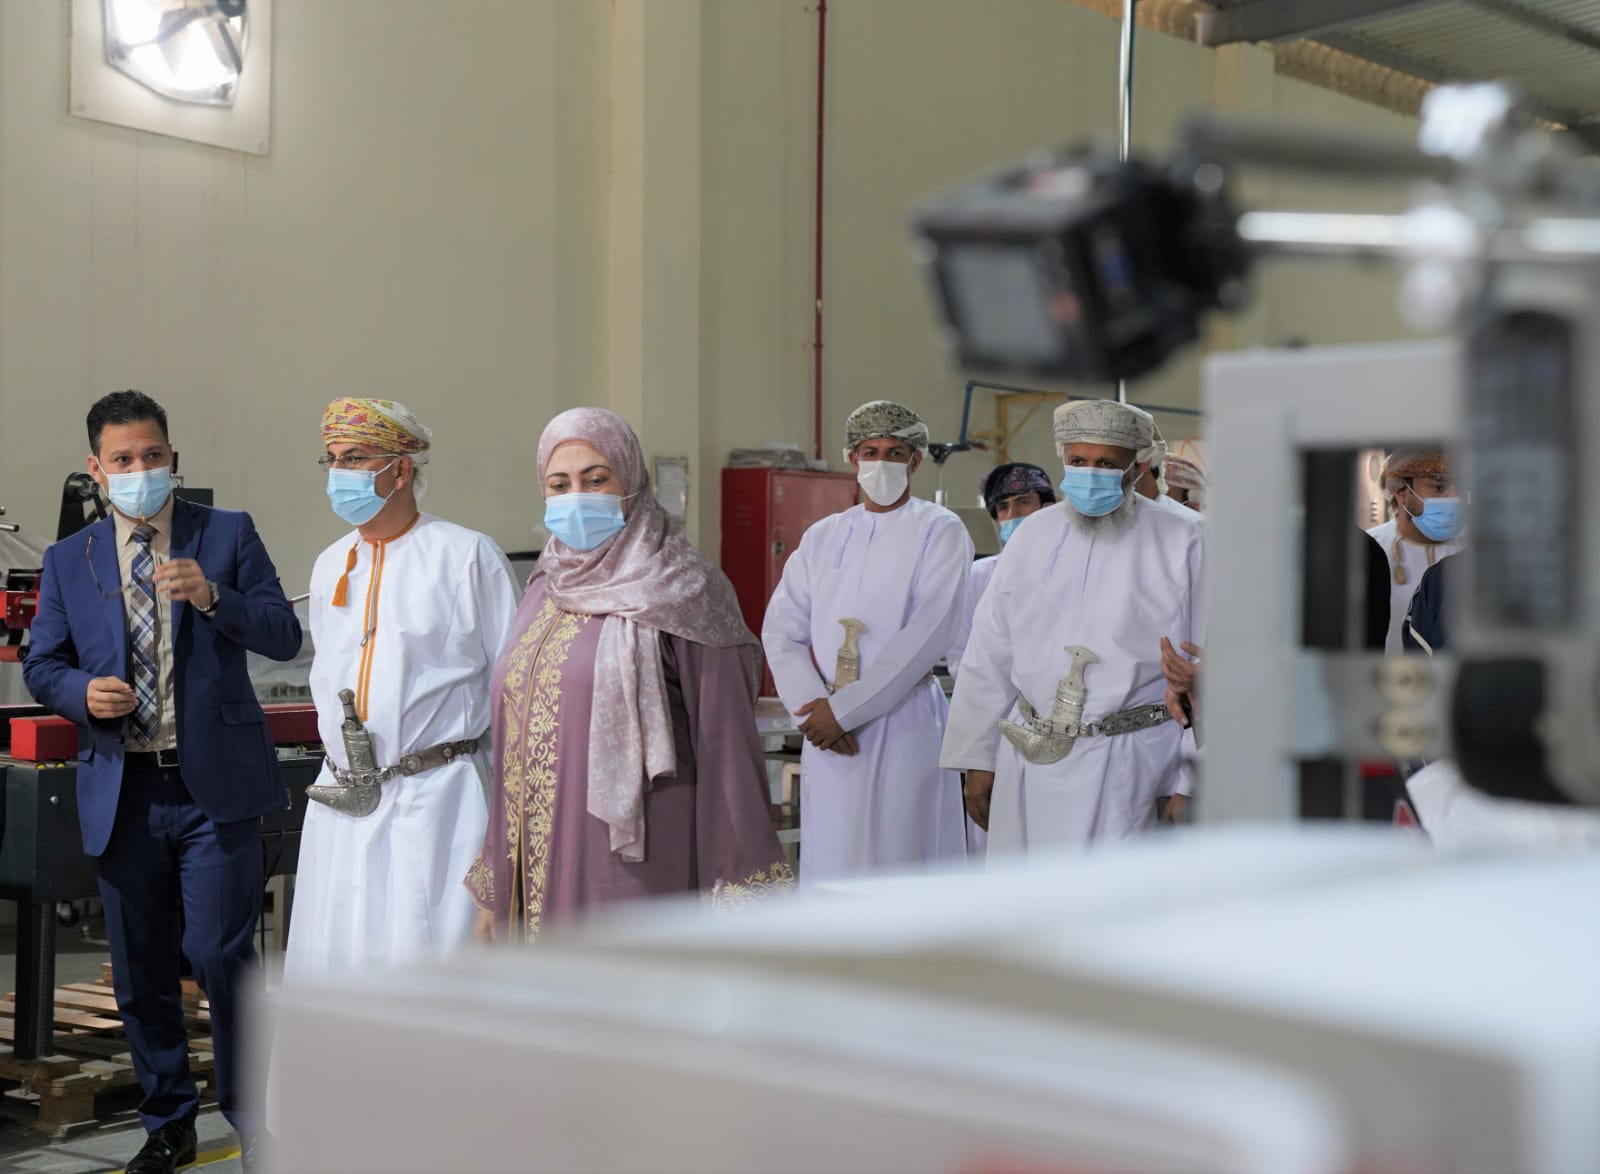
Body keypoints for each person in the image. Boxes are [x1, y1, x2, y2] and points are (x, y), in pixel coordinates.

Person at [23, 391, 301, 1174]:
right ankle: (168, 1122)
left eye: (152, 455)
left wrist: (213, 596)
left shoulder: (227, 533)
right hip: (126, 789)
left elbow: (284, 633)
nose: (140, 469)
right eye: (123, 460)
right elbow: (43, 663)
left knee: (219, 954)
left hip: (215, 790)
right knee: (142, 970)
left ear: (172, 457)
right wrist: (82, 695)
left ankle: (256, 1119)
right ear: (96, 469)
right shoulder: (68, 559)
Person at [468, 408, 791, 940]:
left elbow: (728, 757)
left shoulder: (686, 589)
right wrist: (495, 888)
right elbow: (511, 750)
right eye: (560, 484)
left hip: (638, 872)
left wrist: (739, 905)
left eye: (596, 479)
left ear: (632, 480)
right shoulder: (544, 587)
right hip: (533, 874)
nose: (577, 496)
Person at [284, 398, 519, 976]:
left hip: (438, 801)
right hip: (341, 803)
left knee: (434, 974)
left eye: (355, 458)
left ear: (401, 470)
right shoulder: (331, 563)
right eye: (332, 459)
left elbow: (514, 693)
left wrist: (510, 828)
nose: (339, 473)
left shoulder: (467, 556)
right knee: (337, 971)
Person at [942, 398, 1203, 853]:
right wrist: (977, 758)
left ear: (1136, 467)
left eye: (1106, 464)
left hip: (1133, 766)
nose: (1089, 474)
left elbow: (1212, 667)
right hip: (1028, 761)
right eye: (1078, 462)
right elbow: (990, 651)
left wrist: (1192, 781)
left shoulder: (1187, 538)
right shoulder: (1033, 535)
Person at [763, 400, 971, 884]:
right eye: (870, 452)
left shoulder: (939, 530)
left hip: (901, 719)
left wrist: (847, 710)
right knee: (831, 856)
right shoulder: (823, 536)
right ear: (852, 458)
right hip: (825, 725)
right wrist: (811, 707)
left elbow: (930, 630)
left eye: (895, 453)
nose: (881, 463)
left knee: (900, 856)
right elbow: (781, 629)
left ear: (915, 460)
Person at [946, 461, 1056, 677]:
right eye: (1003, 507)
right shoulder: (977, 576)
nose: (1013, 514)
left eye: (1023, 502)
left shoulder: (1072, 569)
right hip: (990, 693)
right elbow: (960, 656)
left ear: (1047, 507)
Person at [1366, 449, 1464, 653]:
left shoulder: (1476, 552)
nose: (1453, 497)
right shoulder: (1371, 551)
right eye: (1439, 487)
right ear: (1401, 492)